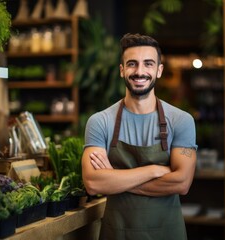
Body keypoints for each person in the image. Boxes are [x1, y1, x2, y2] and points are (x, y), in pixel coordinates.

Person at [82, 33, 197, 240]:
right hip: (117, 233)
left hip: (167, 233)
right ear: (122, 70)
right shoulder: (100, 122)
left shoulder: (181, 120)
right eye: (132, 64)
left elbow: (182, 183)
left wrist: (116, 178)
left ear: (159, 70)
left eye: (148, 64)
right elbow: (93, 183)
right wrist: (154, 170)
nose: (140, 71)